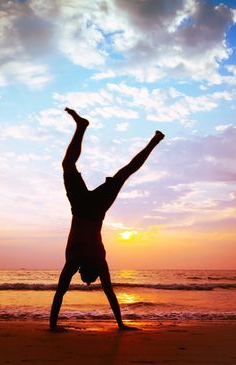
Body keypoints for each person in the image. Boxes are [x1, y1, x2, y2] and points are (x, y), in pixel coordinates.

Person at [50, 108, 164, 331]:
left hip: (94, 209)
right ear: (84, 270)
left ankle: (154, 141)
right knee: (70, 166)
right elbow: (61, 292)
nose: (80, 276)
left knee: (125, 173)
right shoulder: (76, 259)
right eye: (84, 277)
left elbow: (108, 292)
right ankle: (82, 127)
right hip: (81, 207)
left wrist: (121, 324)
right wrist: (120, 325)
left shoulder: (96, 260)